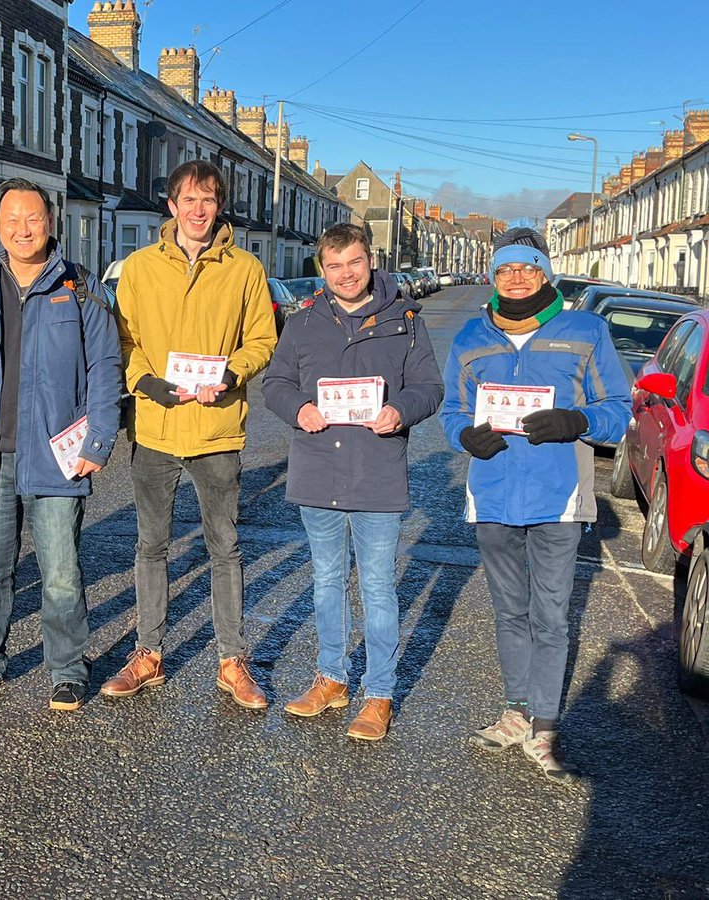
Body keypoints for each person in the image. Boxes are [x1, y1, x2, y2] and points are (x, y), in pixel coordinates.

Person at [440, 227, 631, 782]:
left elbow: (618, 407)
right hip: (494, 494)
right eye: (506, 270)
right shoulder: (472, 337)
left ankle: (545, 724)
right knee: (508, 611)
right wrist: (463, 437)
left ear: (545, 273)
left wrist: (579, 421)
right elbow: (454, 410)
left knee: (550, 615)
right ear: (493, 277)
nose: (517, 278)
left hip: (559, 496)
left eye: (527, 268)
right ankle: (516, 711)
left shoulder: (586, 330)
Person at [0, 178, 122, 712]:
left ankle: (67, 667)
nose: (24, 229)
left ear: (51, 223)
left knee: (61, 573)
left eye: (34, 219)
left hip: (57, 457)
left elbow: (106, 368)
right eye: (13, 220)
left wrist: (99, 438)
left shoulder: (81, 287)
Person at [103, 160, 277, 709]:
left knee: (224, 546)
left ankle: (232, 659)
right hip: (155, 427)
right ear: (171, 206)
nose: (199, 210)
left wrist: (230, 374)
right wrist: (146, 381)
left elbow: (262, 339)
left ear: (218, 206)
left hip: (217, 428)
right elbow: (123, 342)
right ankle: (148, 653)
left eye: (208, 200)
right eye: (189, 200)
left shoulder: (246, 269)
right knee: (151, 545)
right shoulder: (137, 268)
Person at [262, 223, 442, 740]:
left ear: (371, 262)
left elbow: (429, 387)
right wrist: (298, 409)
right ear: (323, 270)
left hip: (376, 472)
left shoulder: (404, 319)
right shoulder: (303, 323)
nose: (346, 274)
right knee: (326, 581)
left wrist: (399, 412)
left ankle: (379, 693)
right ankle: (332, 678)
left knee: (379, 586)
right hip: (318, 470)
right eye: (335, 265)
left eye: (355, 262)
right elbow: (275, 383)